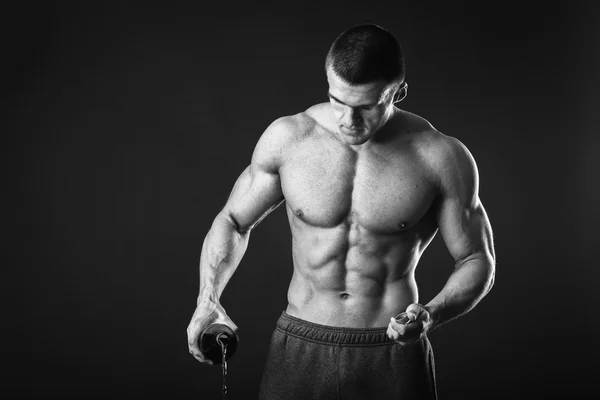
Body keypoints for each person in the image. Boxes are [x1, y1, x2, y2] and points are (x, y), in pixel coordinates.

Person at [187, 23, 495, 399]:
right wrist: (208, 299)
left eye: (366, 106)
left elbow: (476, 258)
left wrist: (430, 314)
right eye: (338, 101)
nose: (349, 120)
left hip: (393, 351)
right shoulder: (289, 138)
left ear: (398, 91)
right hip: (301, 342)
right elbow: (232, 221)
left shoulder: (440, 157)